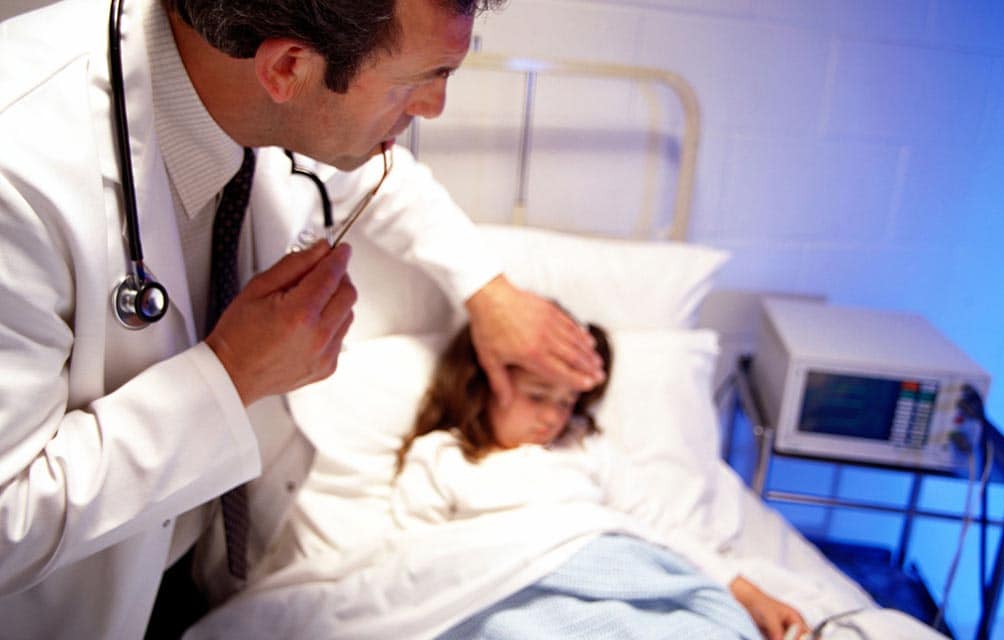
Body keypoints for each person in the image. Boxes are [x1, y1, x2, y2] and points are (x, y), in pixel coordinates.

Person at [0, 0, 605, 637]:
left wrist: (490, 294)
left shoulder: (250, 77)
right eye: (421, 79)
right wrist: (232, 376)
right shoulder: (22, 165)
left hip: (206, 569)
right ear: (288, 68)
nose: (433, 107)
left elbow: (385, 180)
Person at [393, 322, 812, 640]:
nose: (553, 417)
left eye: (566, 402)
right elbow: (417, 564)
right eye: (537, 395)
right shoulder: (441, 457)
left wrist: (750, 595)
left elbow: (658, 527)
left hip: (613, 572)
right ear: (482, 382)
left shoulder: (583, 446)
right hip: (508, 596)